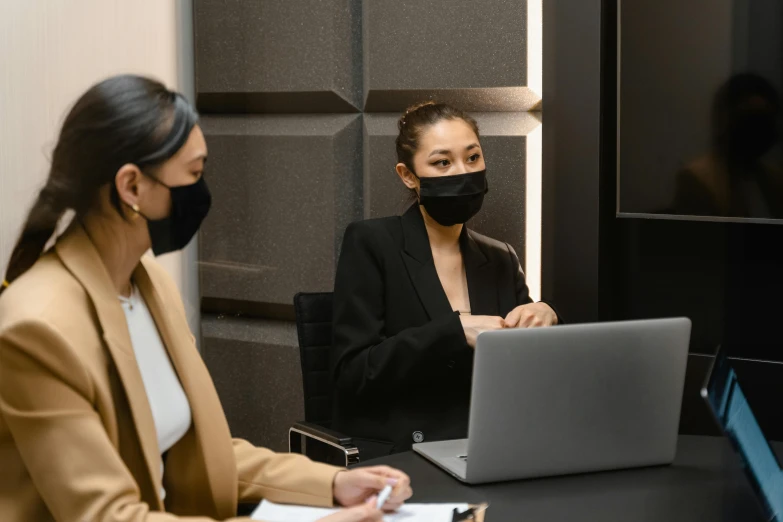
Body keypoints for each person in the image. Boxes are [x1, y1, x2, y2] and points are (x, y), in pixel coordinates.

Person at [0, 75, 411, 522]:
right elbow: (108, 516)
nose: (203, 190)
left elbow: (200, 454)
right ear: (131, 187)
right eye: (194, 174)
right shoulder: (37, 327)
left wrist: (330, 483)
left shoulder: (150, 284)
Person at [330, 102, 561, 460]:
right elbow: (354, 374)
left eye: (472, 158)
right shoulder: (372, 243)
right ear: (408, 175)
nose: (462, 172)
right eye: (442, 162)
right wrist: (452, 333)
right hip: (403, 454)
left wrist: (545, 318)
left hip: (493, 448)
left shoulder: (500, 257)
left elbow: (529, 377)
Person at [673, 73, 783, 218]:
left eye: (764, 121)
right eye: (750, 120)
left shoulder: (774, 180)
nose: (756, 131)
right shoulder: (698, 180)